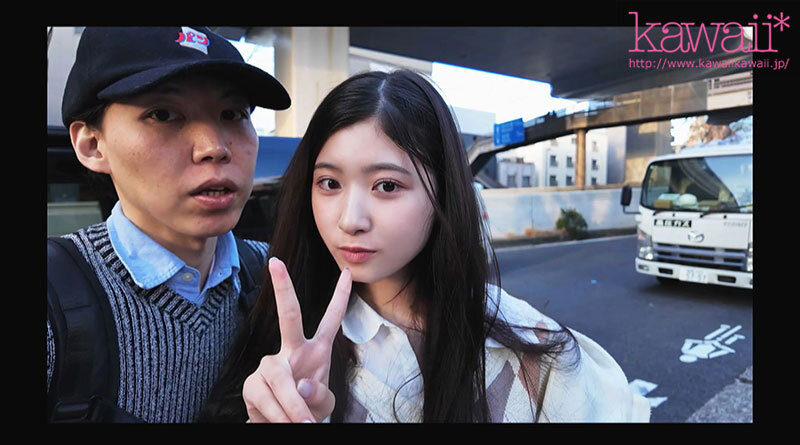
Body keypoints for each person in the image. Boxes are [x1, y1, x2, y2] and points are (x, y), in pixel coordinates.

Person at [201, 70, 651, 423]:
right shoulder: (280, 343)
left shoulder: (536, 355)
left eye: (386, 185)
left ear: (443, 194)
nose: (350, 220)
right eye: (329, 183)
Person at [46, 26, 291, 423]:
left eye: (232, 114)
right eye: (163, 114)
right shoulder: (55, 300)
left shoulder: (277, 277)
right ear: (91, 145)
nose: (215, 147)